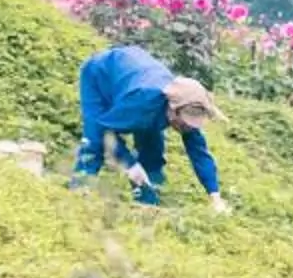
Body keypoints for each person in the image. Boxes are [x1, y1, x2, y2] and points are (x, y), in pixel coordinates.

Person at [71, 42, 225, 207]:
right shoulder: (140, 100)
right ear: (172, 109)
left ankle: (149, 197)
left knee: (152, 148)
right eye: (185, 122)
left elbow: (199, 152)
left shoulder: (188, 106)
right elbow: (105, 131)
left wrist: (215, 195)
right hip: (100, 76)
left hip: (135, 78)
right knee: (95, 138)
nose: (187, 127)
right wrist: (130, 165)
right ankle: (80, 189)